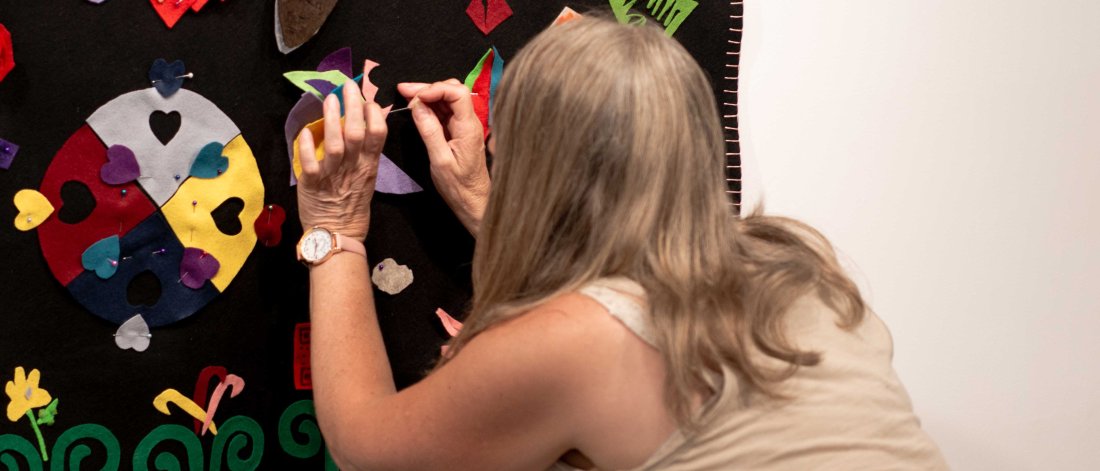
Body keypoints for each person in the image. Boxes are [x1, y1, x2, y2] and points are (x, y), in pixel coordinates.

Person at [294, 16, 947, 471]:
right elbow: (627, 283)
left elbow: (365, 447)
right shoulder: (802, 268)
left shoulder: (574, 344)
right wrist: (485, 205)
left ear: (538, 171)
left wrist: (336, 227)